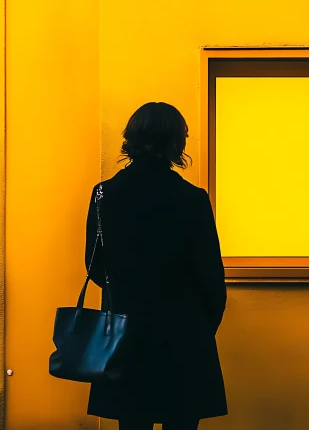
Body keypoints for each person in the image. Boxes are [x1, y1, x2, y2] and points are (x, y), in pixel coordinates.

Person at [84, 102, 228, 430]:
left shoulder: (104, 194)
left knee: (132, 420)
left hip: (125, 333)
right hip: (183, 333)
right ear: (177, 143)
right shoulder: (192, 199)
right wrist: (203, 328)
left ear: (131, 138)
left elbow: (94, 265)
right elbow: (210, 277)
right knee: (181, 419)